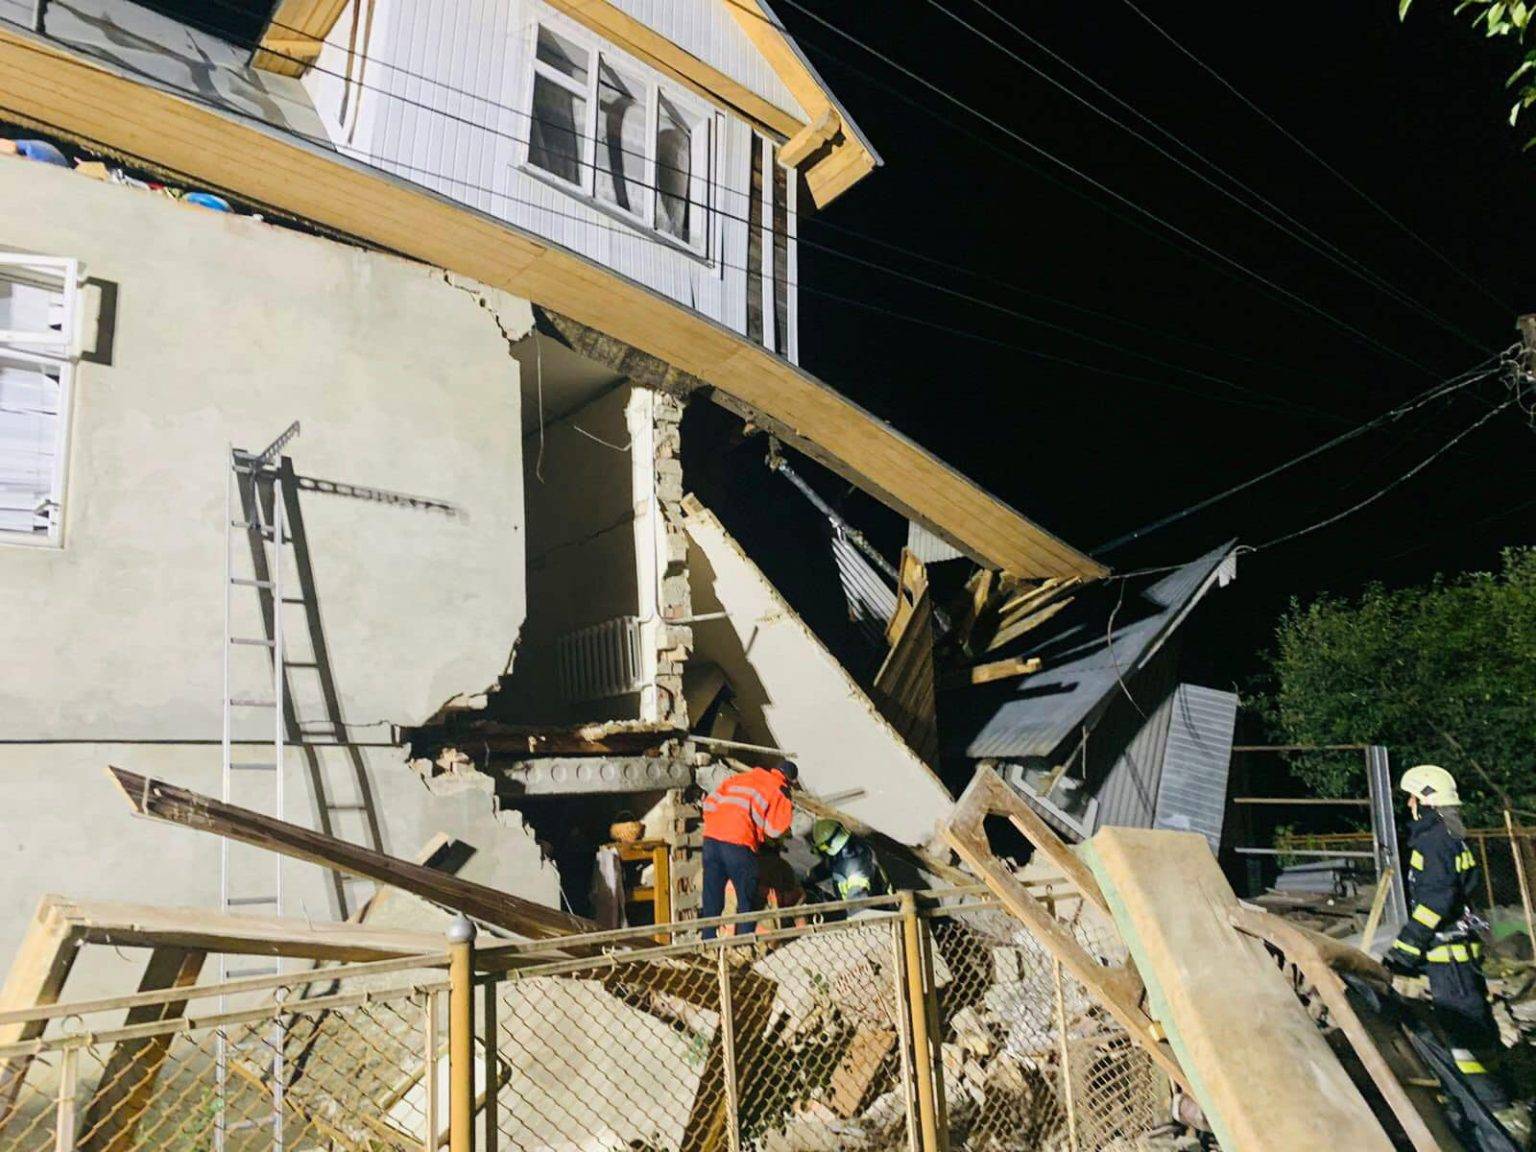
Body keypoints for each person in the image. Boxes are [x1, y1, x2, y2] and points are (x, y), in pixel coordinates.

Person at [1382, 764, 1528, 1143]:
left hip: (1450, 961)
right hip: (1457, 958)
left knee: (1466, 1040)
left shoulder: (1435, 841)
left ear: (1424, 801)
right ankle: (1499, 1105)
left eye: (1412, 797)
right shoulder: (1449, 835)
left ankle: (1498, 1124)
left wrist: (1404, 951)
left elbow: (1435, 901)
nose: (1409, 804)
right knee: (1477, 1032)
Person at [699, 761, 796, 940]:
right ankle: (743, 944)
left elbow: (709, 803)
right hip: (738, 842)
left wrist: (720, 823)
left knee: (712, 894)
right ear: (790, 781)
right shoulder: (779, 788)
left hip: (711, 838)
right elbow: (775, 830)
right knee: (747, 898)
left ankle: (707, 941)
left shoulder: (742, 777)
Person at [807, 818, 889, 902]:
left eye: (823, 848)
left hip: (877, 908)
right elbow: (830, 865)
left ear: (830, 845)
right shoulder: (845, 848)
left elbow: (858, 904)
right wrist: (810, 877)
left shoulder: (856, 869)